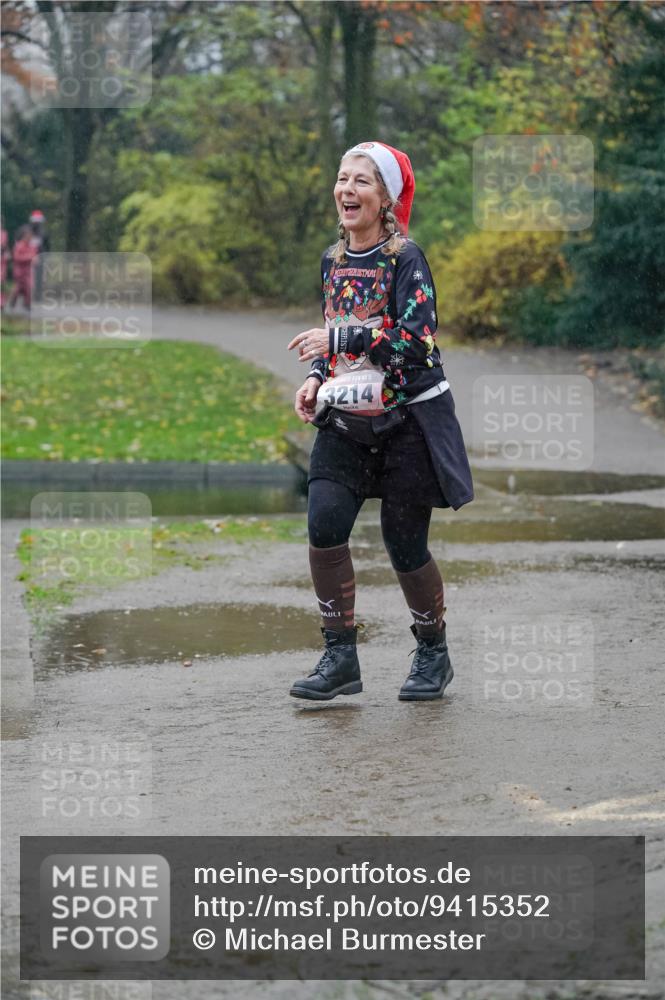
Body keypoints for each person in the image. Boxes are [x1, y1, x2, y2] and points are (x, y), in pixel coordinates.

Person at [287, 141, 473, 703]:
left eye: (361, 181)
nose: (347, 189)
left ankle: (432, 653)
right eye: (342, 178)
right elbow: (336, 335)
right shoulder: (332, 259)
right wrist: (317, 377)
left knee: (404, 543)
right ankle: (340, 656)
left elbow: (418, 343)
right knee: (324, 524)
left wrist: (341, 339)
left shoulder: (406, 259)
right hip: (347, 418)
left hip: (408, 420)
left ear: (385, 197)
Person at [8, 225, 38, 312]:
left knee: (29, 287)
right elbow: (17, 257)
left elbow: (34, 256)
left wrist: (35, 260)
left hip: (29, 271)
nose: (31, 237)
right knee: (19, 288)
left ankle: (27, 304)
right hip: (20, 271)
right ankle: (13, 302)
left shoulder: (32, 246)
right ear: (24, 236)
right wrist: (29, 257)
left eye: (31, 235)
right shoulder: (19, 245)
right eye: (29, 235)